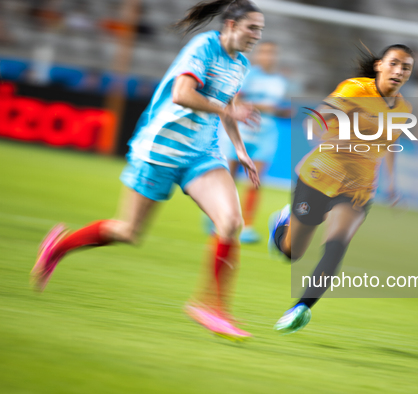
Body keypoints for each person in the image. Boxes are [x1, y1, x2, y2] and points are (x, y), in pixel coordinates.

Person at [31, 0, 265, 340]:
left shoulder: (240, 64)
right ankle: (58, 248)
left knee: (230, 222)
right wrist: (230, 112)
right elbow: (182, 94)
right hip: (159, 150)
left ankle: (211, 306)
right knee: (128, 232)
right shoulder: (203, 47)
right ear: (230, 25)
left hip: (202, 153)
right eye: (252, 28)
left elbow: (228, 106)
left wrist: (240, 150)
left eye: (260, 30)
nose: (257, 35)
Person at [269, 44, 414, 334]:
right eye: (394, 63)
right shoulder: (355, 90)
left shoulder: (404, 108)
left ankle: (301, 308)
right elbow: (316, 118)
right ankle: (281, 225)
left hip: (359, 189)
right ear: (379, 65)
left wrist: (393, 182)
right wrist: (326, 142)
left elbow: (390, 145)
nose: (399, 71)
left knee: (336, 246)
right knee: (291, 252)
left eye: (406, 67)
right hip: (318, 177)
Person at [220, 41, 289, 243]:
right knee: (228, 177)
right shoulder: (247, 75)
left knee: (255, 181)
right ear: (259, 55)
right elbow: (237, 101)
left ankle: (247, 226)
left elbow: (274, 108)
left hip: (265, 135)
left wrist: (282, 112)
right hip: (240, 132)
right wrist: (269, 108)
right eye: (265, 52)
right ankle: (223, 216)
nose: (269, 56)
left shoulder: (280, 81)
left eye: (272, 53)